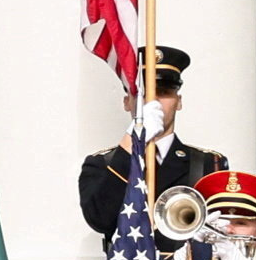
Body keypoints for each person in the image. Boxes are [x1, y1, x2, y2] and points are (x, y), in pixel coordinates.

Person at [76, 42, 233, 240]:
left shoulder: (208, 163)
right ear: (127, 102)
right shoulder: (103, 163)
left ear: (179, 101)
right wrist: (134, 140)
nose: (153, 101)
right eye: (143, 94)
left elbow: (224, 230)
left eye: (164, 93)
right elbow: (100, 219)